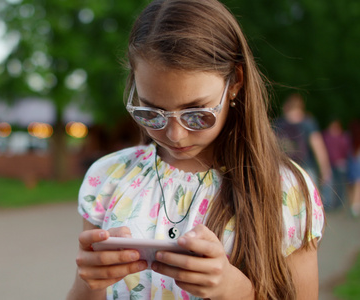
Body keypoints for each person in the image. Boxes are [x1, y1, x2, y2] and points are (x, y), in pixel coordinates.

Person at [66, 0, 324, 299]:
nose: (175, 135)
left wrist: (237, 290)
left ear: (235, 84)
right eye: (152, 112)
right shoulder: (108, 177)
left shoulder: (285, 190)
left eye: (197, 113)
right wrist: (90, 283)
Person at [273, 93, 332, 191]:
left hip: (284, 171)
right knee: (308, 202)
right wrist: (325, 169)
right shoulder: (308, 123)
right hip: (306, 169)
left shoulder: (278, 124)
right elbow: (318, 147)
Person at [322, 119, 352, 209]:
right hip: (328, 163)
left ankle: (339, 203)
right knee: (328, 183)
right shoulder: (325, 137)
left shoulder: (343, 137)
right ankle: (328, 203)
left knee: (341, 184)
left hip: (340, 163)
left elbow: (347, 150)